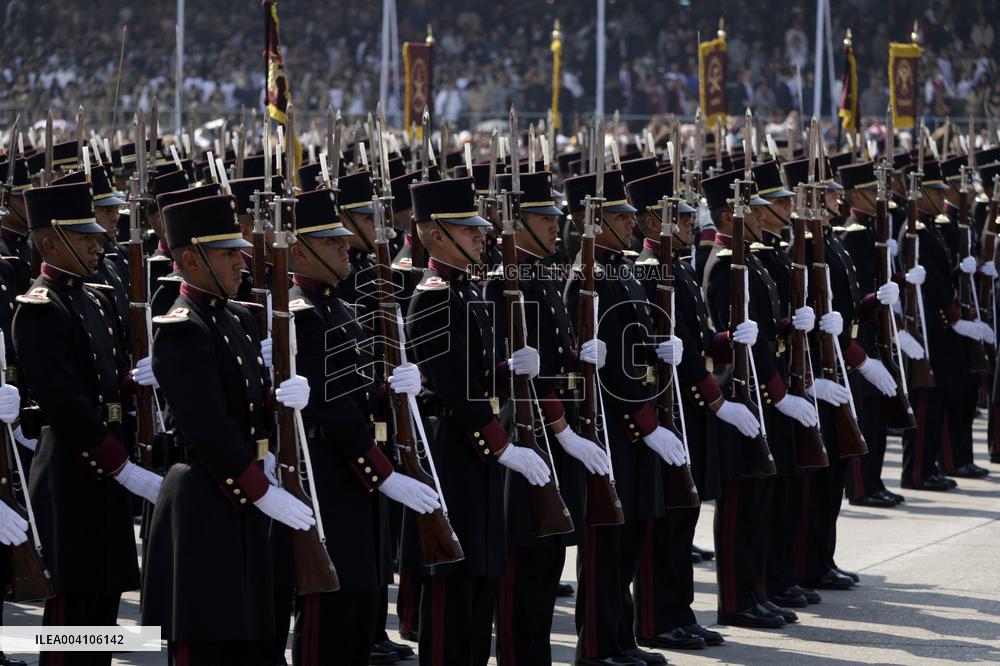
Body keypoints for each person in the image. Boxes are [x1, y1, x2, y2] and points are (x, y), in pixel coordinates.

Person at [140, 192, 314, 665]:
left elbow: (246, 407)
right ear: (191, 260)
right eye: (227, 254)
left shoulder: (235, 316)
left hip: (243, 496)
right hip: (205, 500)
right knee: (208, 642)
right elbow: (207, 429)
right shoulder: (182, 328)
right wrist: (261, 489)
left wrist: (283, 401)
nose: (242, 262)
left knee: (251, 641)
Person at [402, 176, 550, 665]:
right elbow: (455, 390)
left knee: (482, 579)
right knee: (454, 586)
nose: (481, 236)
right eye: (469, 230)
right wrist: (503, 447)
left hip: (476, 452)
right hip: (453, 449)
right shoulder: (434, 296)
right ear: (437, 234)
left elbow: (477, 376)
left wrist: (509, 371)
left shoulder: (464, 290)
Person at [287, 186, 438, 665]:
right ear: (299, 251)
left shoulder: (336, 306)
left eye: (341, 238)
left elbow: (356, 390)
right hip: (330, 476)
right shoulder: (302, 314)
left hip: (356, 475)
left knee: (360, 601)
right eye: (330, 242)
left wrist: (390, 389)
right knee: (329, 612)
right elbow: (333, 411)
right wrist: (384, 473)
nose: (344, 247)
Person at [13, 181, 162, 666]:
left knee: (103, 602)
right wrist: (123, 467)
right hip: (72, 474)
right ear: (51, 242)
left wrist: (133, 382)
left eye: (96, 236)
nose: (99, 244)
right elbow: (66, 405)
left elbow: (102, 383)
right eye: (85, 238)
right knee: (72, 614)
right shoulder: (40, 308)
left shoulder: (91, 298)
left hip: (104, 472)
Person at [564, 168, 686, 665]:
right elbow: (593, 369)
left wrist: (660, 349)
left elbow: (631, 344)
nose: (632, 224)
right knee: (605, 546)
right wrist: (644, 423)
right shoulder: (584, 277)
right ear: (594, 222)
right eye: (620, 217)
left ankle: (622, 638)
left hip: (638, 425)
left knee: (630, 538)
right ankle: (597, 646)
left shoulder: (624, 271)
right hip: (610, 429)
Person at [487, 170, 608, 665]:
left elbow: (552, 358)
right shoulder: (503, 282)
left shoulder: (540, 274)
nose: (557, 226)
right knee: (523, 564)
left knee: (548, 560)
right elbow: (510, 373)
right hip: (527, 433)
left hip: (555, 433)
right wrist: (563, 430)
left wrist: (581, 356)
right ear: (517, 223)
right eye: (544, 219)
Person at [626, 170, 727, 650]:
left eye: (688, 216)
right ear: (652, 221)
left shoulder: (677, 266)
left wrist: (724, 341)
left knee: (683, 516)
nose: (690, 224)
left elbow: (694, 336)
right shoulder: (648, 270)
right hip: (667, 404)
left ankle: (679, 612)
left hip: (687, 405)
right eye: (681, 218)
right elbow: (648, 344)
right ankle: (655, 618)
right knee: (664, 520)